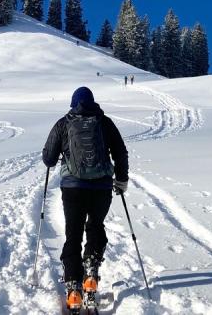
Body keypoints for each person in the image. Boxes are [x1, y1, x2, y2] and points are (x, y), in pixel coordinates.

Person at [43, 87, 129, 311]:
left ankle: (73, 289)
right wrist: (121, 180)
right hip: (101, 187)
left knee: (73, 233)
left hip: (72, 188)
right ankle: (91, 273)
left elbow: (49, 159)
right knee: (95, 226)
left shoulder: (64, 123)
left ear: (73, 103)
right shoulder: (104, 122)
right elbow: (120, 152)